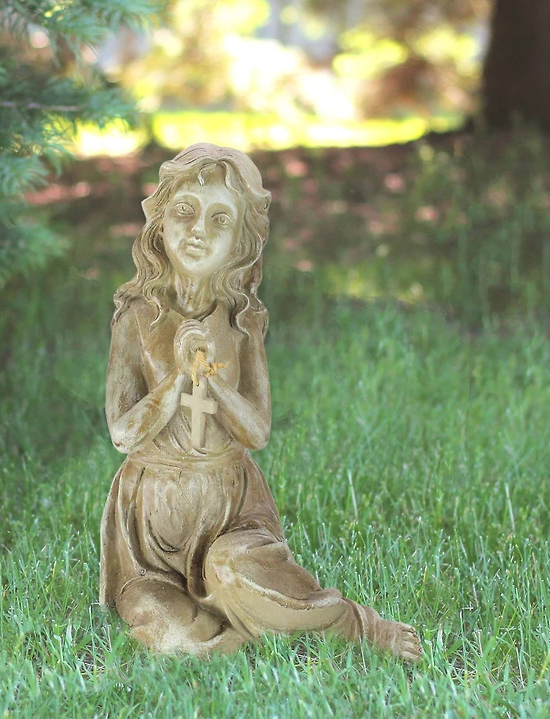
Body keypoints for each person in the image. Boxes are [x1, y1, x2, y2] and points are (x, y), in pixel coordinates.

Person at [100, 143, 421, 661]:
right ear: (159, 221)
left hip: (229, 511)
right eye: (184, 210)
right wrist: (177, 382)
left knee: (232, 572)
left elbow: (257, 432)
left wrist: (214, 382)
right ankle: (255, 634)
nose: (198, 229)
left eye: (219, 219)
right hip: (150, 535)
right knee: (169, 633)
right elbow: (122, 432)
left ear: (241, 244)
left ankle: (350, 623)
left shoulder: (242, 324)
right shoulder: (136, 317)